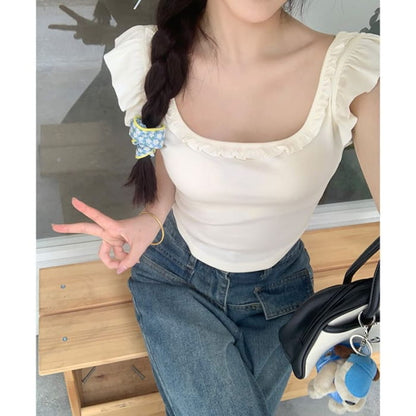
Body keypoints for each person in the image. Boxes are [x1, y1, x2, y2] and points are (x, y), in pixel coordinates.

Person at [52, 1, 380, 415]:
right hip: (175, 279)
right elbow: (168, 157)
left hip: (282, 291)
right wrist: (151, 217)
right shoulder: (151, 57)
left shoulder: (355, 71)